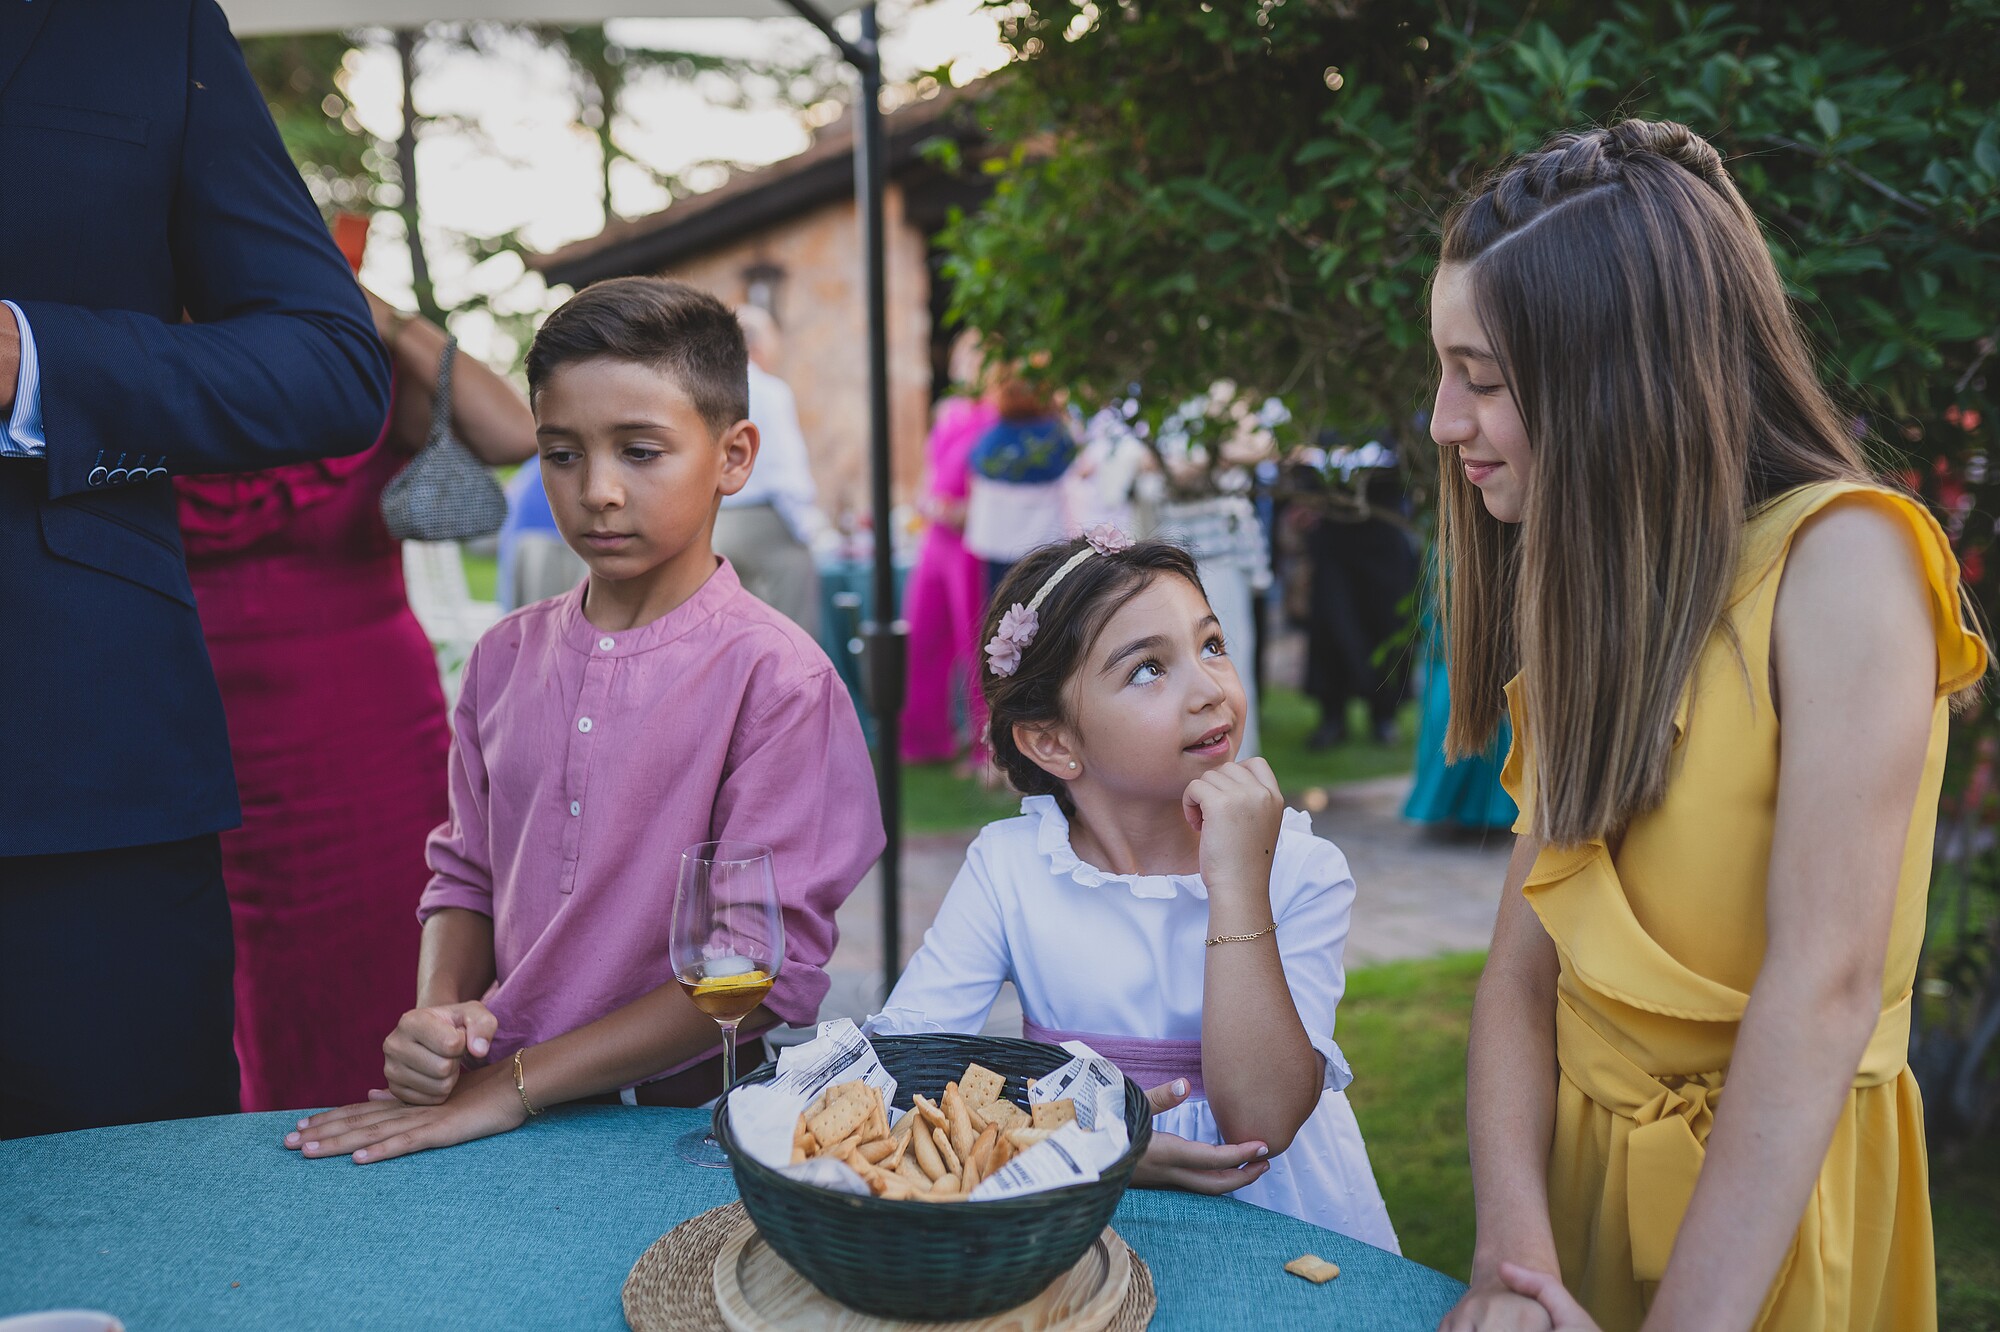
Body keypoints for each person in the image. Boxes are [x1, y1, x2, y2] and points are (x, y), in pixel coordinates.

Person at [1432, 122, 1987, 1332]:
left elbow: (1823, 988)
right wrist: (1511, 1267)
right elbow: (1520, 977)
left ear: (1611, 372)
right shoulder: (1599, 588)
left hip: (1768, 1218)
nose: (1439, 420)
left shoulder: (1842, 563)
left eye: (1480, 379)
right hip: (1578, 1191)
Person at [285, 278, 883, 1164]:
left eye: (640, 452)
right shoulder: (502, 657)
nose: (597, 490)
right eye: (562, 454)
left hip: (682, 1124)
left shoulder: (779, 681)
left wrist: (512, 1086)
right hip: (491, 1107)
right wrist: (439, 1016)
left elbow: (758, 970)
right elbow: (465, 877)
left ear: (733, 456)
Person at [0, 1, 392, 1137]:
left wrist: (37, 360)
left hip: (71, 787)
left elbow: (327, 361)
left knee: (138, 1212)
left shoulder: (144, 26)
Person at [872, 531, 1398, 1247]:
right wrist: (1086, 1143)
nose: (1210, 690)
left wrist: (1238, 881)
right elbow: (899, 1068)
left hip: (1277, 1217)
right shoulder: (1010, 868)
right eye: (1149, 669)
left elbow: (1262, 1122)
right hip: (1074, 1209)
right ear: (1053, 742)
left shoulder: (1298, 868)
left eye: (1212, 645)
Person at [173, 289, 537, 1113]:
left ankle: (426, 1126)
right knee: (253, 982)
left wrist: (380, 315)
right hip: (203, 730)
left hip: (368, 725)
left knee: (396, 938)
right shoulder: (144, 358)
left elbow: (514, 433)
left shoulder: (353, 360)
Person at [901, 329, 1000, 764]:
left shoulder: (997, 417)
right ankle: (924, 739)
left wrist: (963, 510)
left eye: (977, 358)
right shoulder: (949, 412)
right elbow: (930, 471)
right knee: (922, 635)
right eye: (963, 357)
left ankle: (985, 746)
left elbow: (992, 487)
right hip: (934, 539)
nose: (967, 365)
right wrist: (926, 502)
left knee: (974, 641)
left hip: (970, 543)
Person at [712, 304, 822, 635]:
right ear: (757, 346)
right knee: (793, 628)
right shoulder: (771, 390)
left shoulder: (710, 392)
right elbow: (787, 471)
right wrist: (808, 529)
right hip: (767, 521)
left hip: (717, 523)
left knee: (734, 628)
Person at [962, 367, 1079, 595]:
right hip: (1043, 539)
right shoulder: (1054, 435)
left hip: (998, 538)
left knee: (1001, 600)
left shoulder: (992, 438)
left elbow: (977, 464)